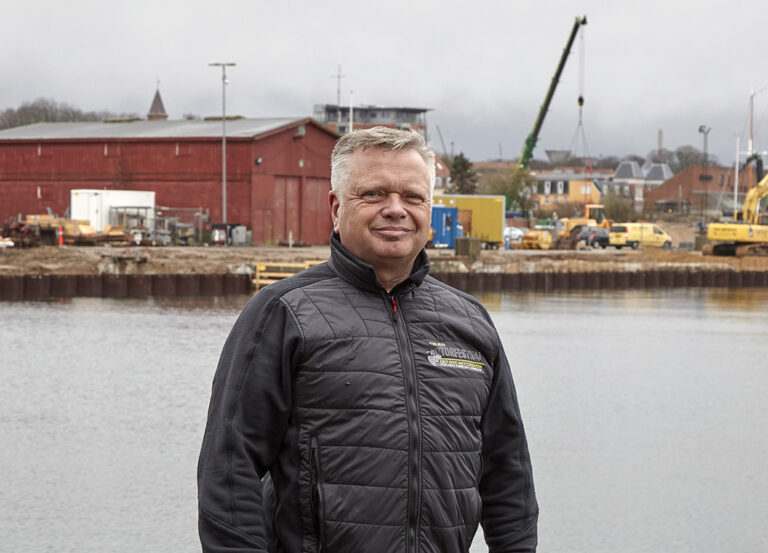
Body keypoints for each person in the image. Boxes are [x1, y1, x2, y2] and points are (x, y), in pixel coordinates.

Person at [198, 126, 538, 553]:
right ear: (336, 208)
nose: (396, 209)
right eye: (374, 194)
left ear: (429, 209)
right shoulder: (284, 313)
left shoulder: (470, 321)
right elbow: (230, 467)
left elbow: (509, 473)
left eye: (413, 196)